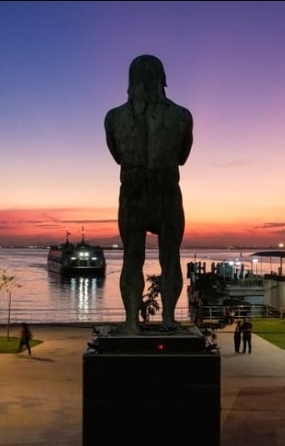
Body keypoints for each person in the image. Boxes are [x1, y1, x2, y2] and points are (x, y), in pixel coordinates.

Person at [105, 54, 194, 334]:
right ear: (163, 79)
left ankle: (132, 322)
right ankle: (167, 318)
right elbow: (182, 157)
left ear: (130, 81)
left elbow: (118, 156)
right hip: (167, 190)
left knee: (132, 257)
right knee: (171, 257)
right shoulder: (181, 116)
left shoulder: (114, 117)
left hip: (132, 191)